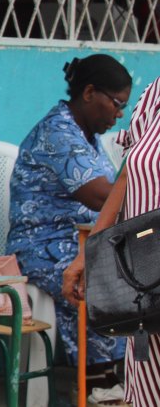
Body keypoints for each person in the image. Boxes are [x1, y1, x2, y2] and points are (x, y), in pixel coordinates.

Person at [7, 54, 131, 372]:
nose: (119, 115)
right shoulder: (58, 133)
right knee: (112, 284)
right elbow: (100, 196)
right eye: (116, 104)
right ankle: (104, 378)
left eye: (123, 107)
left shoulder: (88, 135)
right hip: (41, 248)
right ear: (89, 93)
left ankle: (121, 372)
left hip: (79, 241)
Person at [64, 75, 160, 407]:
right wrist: (93, 254)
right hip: (144, 283)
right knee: (148, 388)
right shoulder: (153, 95)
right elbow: (128, 174)